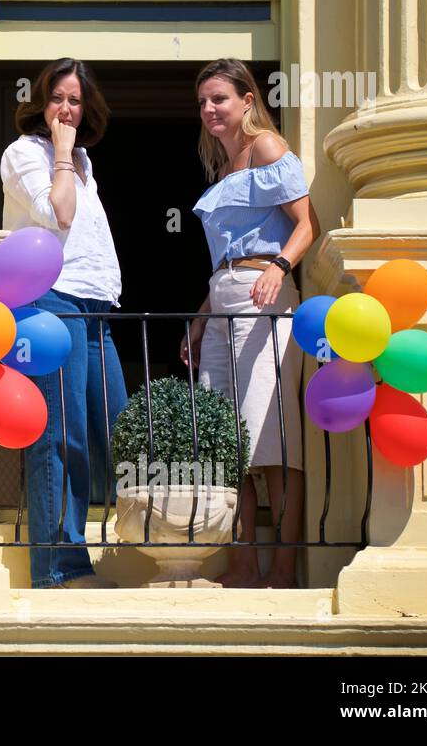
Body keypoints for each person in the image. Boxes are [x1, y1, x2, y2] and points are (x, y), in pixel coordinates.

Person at [181, 58, 320, 589]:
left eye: (218, 98)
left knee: (271, 441)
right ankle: (242, 566)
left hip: (265, 295)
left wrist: (281, 267)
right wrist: (200, 318)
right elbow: (225, 261)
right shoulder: (223, 165)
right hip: (222, 301)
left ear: (247, 100)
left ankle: (282, 572)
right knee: (225, 441)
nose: (209, 109)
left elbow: (307, 225)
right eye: (202, 102)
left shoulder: (266, 147)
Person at [0, 57, 127, 590]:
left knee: (121, 429)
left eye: (75, 100)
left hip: (99, 307)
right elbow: (60, 215)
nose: (66, 109)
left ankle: (134, 542)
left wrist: (71, 157)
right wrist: (60, 152)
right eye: (58, 97)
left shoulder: (85, 163)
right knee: (60, 435)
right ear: (41, 102)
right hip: (54, 301)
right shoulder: (26, 153)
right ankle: (59, 565)